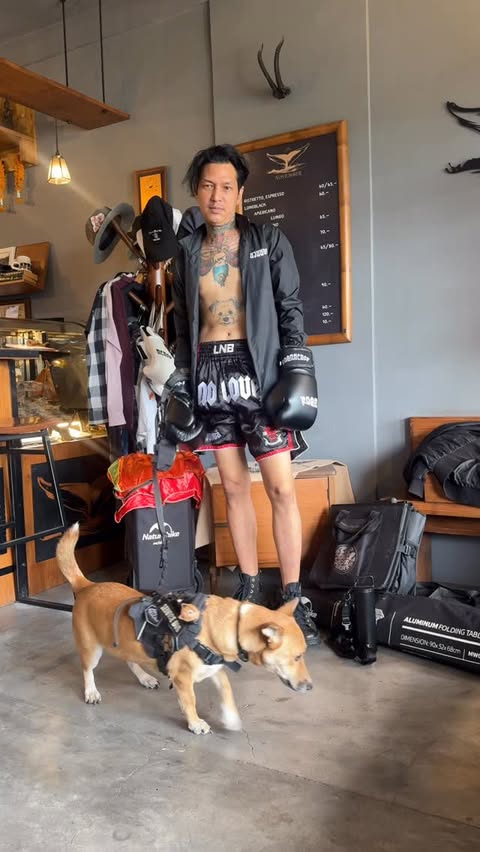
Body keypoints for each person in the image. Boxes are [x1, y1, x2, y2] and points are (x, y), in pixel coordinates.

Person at [164, 144, 320, 645]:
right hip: (210, 374)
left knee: (281, 488)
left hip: (261, 374)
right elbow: (184, 325)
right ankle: (249, 590)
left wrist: (296, 366)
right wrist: (182, 379)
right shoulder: (186, 252)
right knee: (232, 488)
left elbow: (290, 306)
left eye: (226, 186)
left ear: (240, 192)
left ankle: (293, 597)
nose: (217, 195)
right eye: (208, 186)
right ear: (196, 191)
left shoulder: (266, 239)